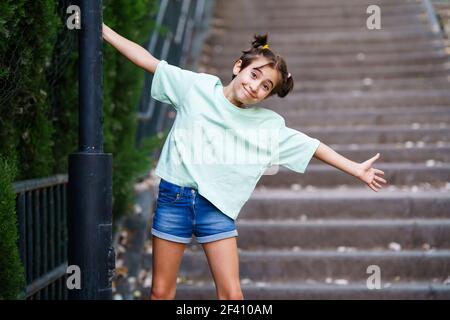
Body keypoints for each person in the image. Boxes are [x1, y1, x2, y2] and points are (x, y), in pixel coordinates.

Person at [102, 23, 387, 300]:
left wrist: (354, 168)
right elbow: (148, 61)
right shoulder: (196, 87)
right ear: (239, 67)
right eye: (254, 75)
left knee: (232, 295)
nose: (255, 87)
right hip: (173, 199)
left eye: (266, 86)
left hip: (216, 209)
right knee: (161, 293)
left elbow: (311, 146)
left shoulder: (265, 124)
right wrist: (101, 29)